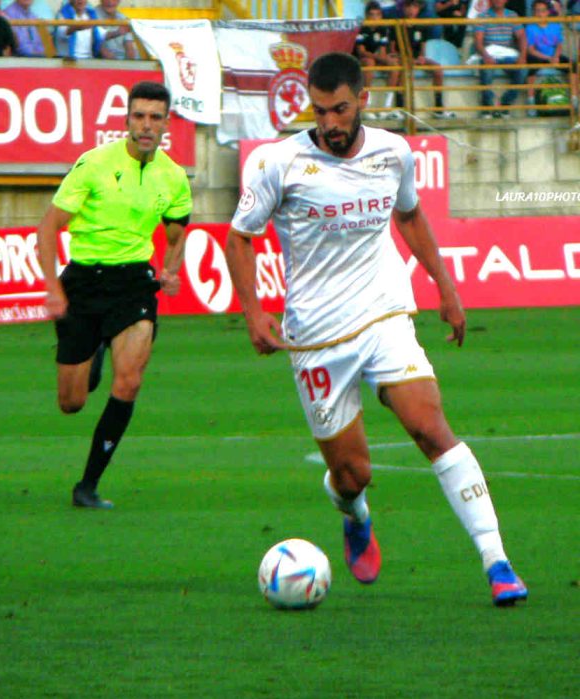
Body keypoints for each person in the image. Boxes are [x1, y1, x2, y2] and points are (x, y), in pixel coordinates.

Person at [224, 52, 527, 607]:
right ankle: (354, 513)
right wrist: (253, 312)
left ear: (363, 99)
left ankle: (497, 561)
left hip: (385, 314)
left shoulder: (393, 152)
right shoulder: (279, 163)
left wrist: (446, 286)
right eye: (319, 112)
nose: (330, 124)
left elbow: (409, 215)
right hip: (315, 336)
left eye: (340, 109)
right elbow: (239, 236)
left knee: (431, 428)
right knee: (352, 472)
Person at [37, 81, 192, 509]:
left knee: (131, 381)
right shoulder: (93, 165)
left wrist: (171, 269)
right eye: (139, 116)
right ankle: (96, 352)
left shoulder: (174, 176)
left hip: (133, 285)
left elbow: (177, 229)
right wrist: (53, 288)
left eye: (155, 117)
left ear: (165, 124)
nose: (146, 125)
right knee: (71, 402)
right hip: (84, 283)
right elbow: (48, 227)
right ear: (126, 120)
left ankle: (87, 485)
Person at [474, 0, 527, 118]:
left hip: (508, 53)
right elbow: (478, 42)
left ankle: (505, 104)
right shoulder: (482, 16)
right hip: (489, 52)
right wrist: (486, 56)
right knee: (486, 69)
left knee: (523, 70)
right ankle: (487, 107)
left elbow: (522, 37)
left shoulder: (512, 15)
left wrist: (522, 56)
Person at [402, 0, 456, 117]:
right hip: (403, 58)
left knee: (437, 69)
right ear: (404, 8)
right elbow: (394, 49)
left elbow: (423, 45)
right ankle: (404, 107)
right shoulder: (398, 26)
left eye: (414, 7)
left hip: (417, 59)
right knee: (405, 71)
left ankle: (438, 107)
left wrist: (422, 57)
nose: (411, 10)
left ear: (418, 9)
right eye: (409, 6)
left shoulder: (421, 26)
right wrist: (409, 59)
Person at [524, 0, 577, 114]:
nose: (540, 14)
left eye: (542, 11)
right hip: (539, 55)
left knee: (572, 66)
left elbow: (559, 44)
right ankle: (531, 100)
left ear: (547, 12)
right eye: (537, 11)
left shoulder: (555, 25)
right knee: (531, 69)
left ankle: (574, 98)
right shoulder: (530, 27)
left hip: (553, 55)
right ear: (533, 12)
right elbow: (531, 50)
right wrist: (547, 58)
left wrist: (556, 56)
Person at [353, 1, 403, 118]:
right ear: (366, 15)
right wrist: (379, 58)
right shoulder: (361, 28)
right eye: (372, 15)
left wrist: (386, 59)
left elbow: (382, 50)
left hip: (376, 58)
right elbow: (361, 51)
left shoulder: (383, 29)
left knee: (394, 66)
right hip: (362, 59)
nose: (375, 18)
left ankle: (386, 107)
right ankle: (367, 107)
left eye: (378, 14)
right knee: (369, 63)